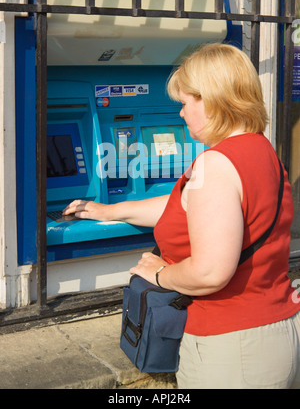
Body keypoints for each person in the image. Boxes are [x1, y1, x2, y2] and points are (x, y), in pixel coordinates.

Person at [63, 43, 300, 389]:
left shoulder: (215, 164)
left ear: (211, 99)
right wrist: (107, 210)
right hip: (279, 329)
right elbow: (187, 206)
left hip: (233, 350)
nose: (181, 114)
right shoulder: (262, 151)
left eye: (186, 102)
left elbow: (209, 272)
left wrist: (160, 273)